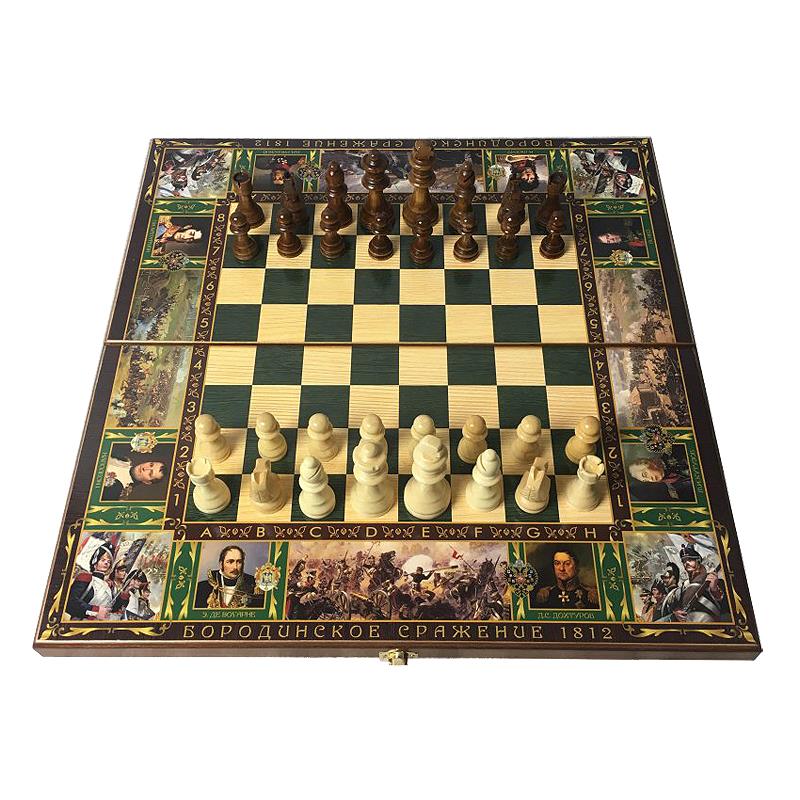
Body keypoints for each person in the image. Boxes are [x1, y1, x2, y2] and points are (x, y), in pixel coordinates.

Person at [661, 545, 727, 623]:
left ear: (698, 561)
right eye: (684, 561)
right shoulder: (683, 587)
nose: (686, 563)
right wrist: (676, 612)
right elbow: (673, 607)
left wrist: (714, 590)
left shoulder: (713, 580)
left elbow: (726, 609)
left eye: (690, 560)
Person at [195, 546, 261, 609]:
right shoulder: (202, 587)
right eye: (230, 562)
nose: (235, 567)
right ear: (221, 564)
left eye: (239, 562)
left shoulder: (253, 585)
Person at [102, 444, 171, 501]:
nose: (145, 468)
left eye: (150, 473)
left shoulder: (117, 490)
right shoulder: (124, 458)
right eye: (151, 464)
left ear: (147, 482)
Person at [534, 549, 599, 609]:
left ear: (576, 567)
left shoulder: (590, 595)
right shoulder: (545, 595)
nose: (561, 568)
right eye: (557, 563)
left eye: (567, 564)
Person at [66, 542, 115, 620]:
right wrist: (95, 611)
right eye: (103, 560)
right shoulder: (85, 577)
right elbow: (70, 602)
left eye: (109, 562)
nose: (106, 563)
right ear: (95, 563)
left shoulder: (108, 585)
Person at [627, 454, 694, 502]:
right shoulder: (675, 489)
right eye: (645, 480)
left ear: (648, 462)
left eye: (645, 474)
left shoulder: (673, 453)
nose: (650, 479)